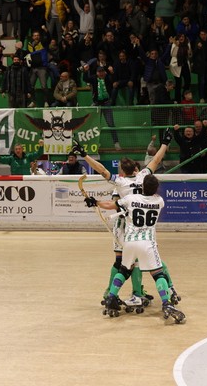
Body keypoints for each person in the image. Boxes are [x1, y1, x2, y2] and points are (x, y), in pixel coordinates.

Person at [72, 130, 180, 308]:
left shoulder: (120, 182)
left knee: (124, 262)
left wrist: (85, 155)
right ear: (136, 169)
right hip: (143, 225)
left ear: (122, 171)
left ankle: (119, 293)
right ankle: (158, 290)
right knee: (147, 260)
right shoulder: (144, 176)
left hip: (125, 223)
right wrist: (165, 144)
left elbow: (102, 170)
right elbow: (156, 160)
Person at [89, 174, 186, 324]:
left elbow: (110, 205)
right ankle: (166, 303)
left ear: (142, 186)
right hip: (147, 242)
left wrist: (94, 202)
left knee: (124, 270)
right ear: (156, 188)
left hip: (130, 242)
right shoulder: (160, 201)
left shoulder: (131, 199)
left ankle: (111, 296)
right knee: (158, 274)